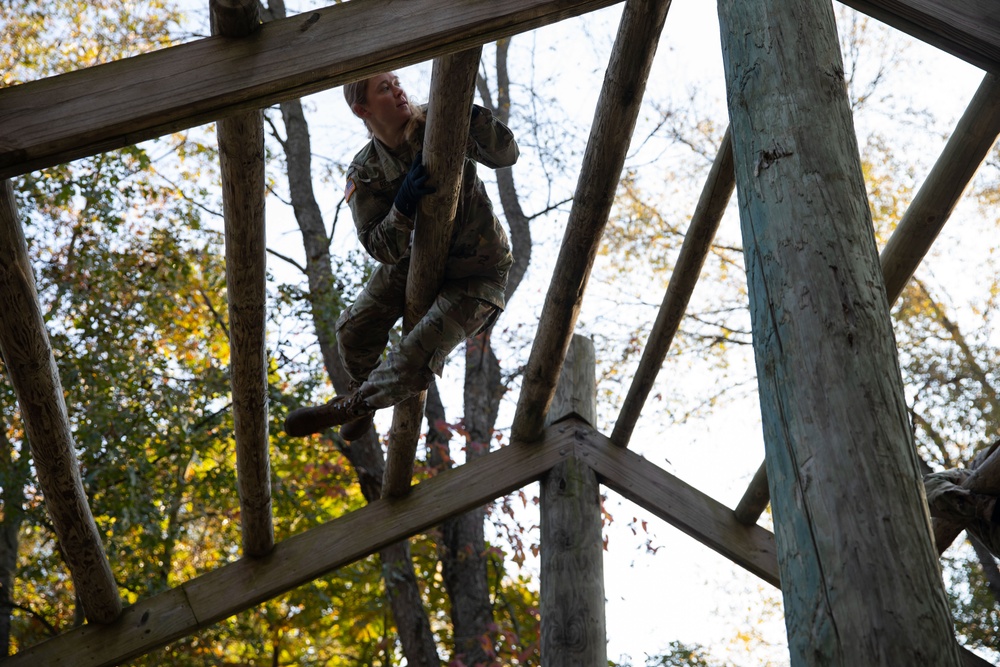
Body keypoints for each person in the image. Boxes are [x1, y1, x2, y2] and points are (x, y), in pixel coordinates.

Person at [284, 72, 519, 439]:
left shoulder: (439, 121)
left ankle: (355, 405)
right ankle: (367, 389)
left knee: (414, 355)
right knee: (352, 332)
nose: (398, 90)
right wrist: (402, 207)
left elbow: (506, 155)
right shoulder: (365, 171)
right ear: (363, 110)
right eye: (384, 88)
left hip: (478, 272)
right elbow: (380, 247)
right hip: (415, 260)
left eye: (396, 82)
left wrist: (469, 116)